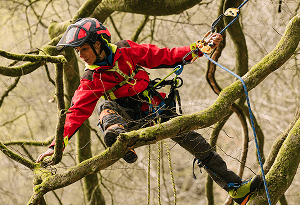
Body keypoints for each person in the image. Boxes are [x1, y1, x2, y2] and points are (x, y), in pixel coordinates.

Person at [36, 18, 262, 204]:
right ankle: (120, 140)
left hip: (155, 109)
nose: (80, 55)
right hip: (127, 118)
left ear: (99, 43)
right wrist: (56, 146)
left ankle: (236, 189)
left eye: (83, 49)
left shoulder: (126, 50)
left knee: (198, 144)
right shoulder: (91, 79)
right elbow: (76, 113)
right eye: (77, 51)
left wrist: (200, 47)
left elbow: (165, 55)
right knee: (107, 107)